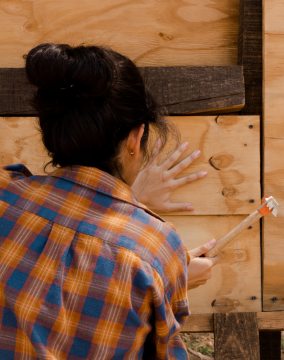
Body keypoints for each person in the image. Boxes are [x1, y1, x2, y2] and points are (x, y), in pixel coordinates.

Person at [0, 43, 217, 359]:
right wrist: (171, 282)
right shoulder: (156, 247)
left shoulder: (7, 193)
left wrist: (131, 202)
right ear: (135, 137)